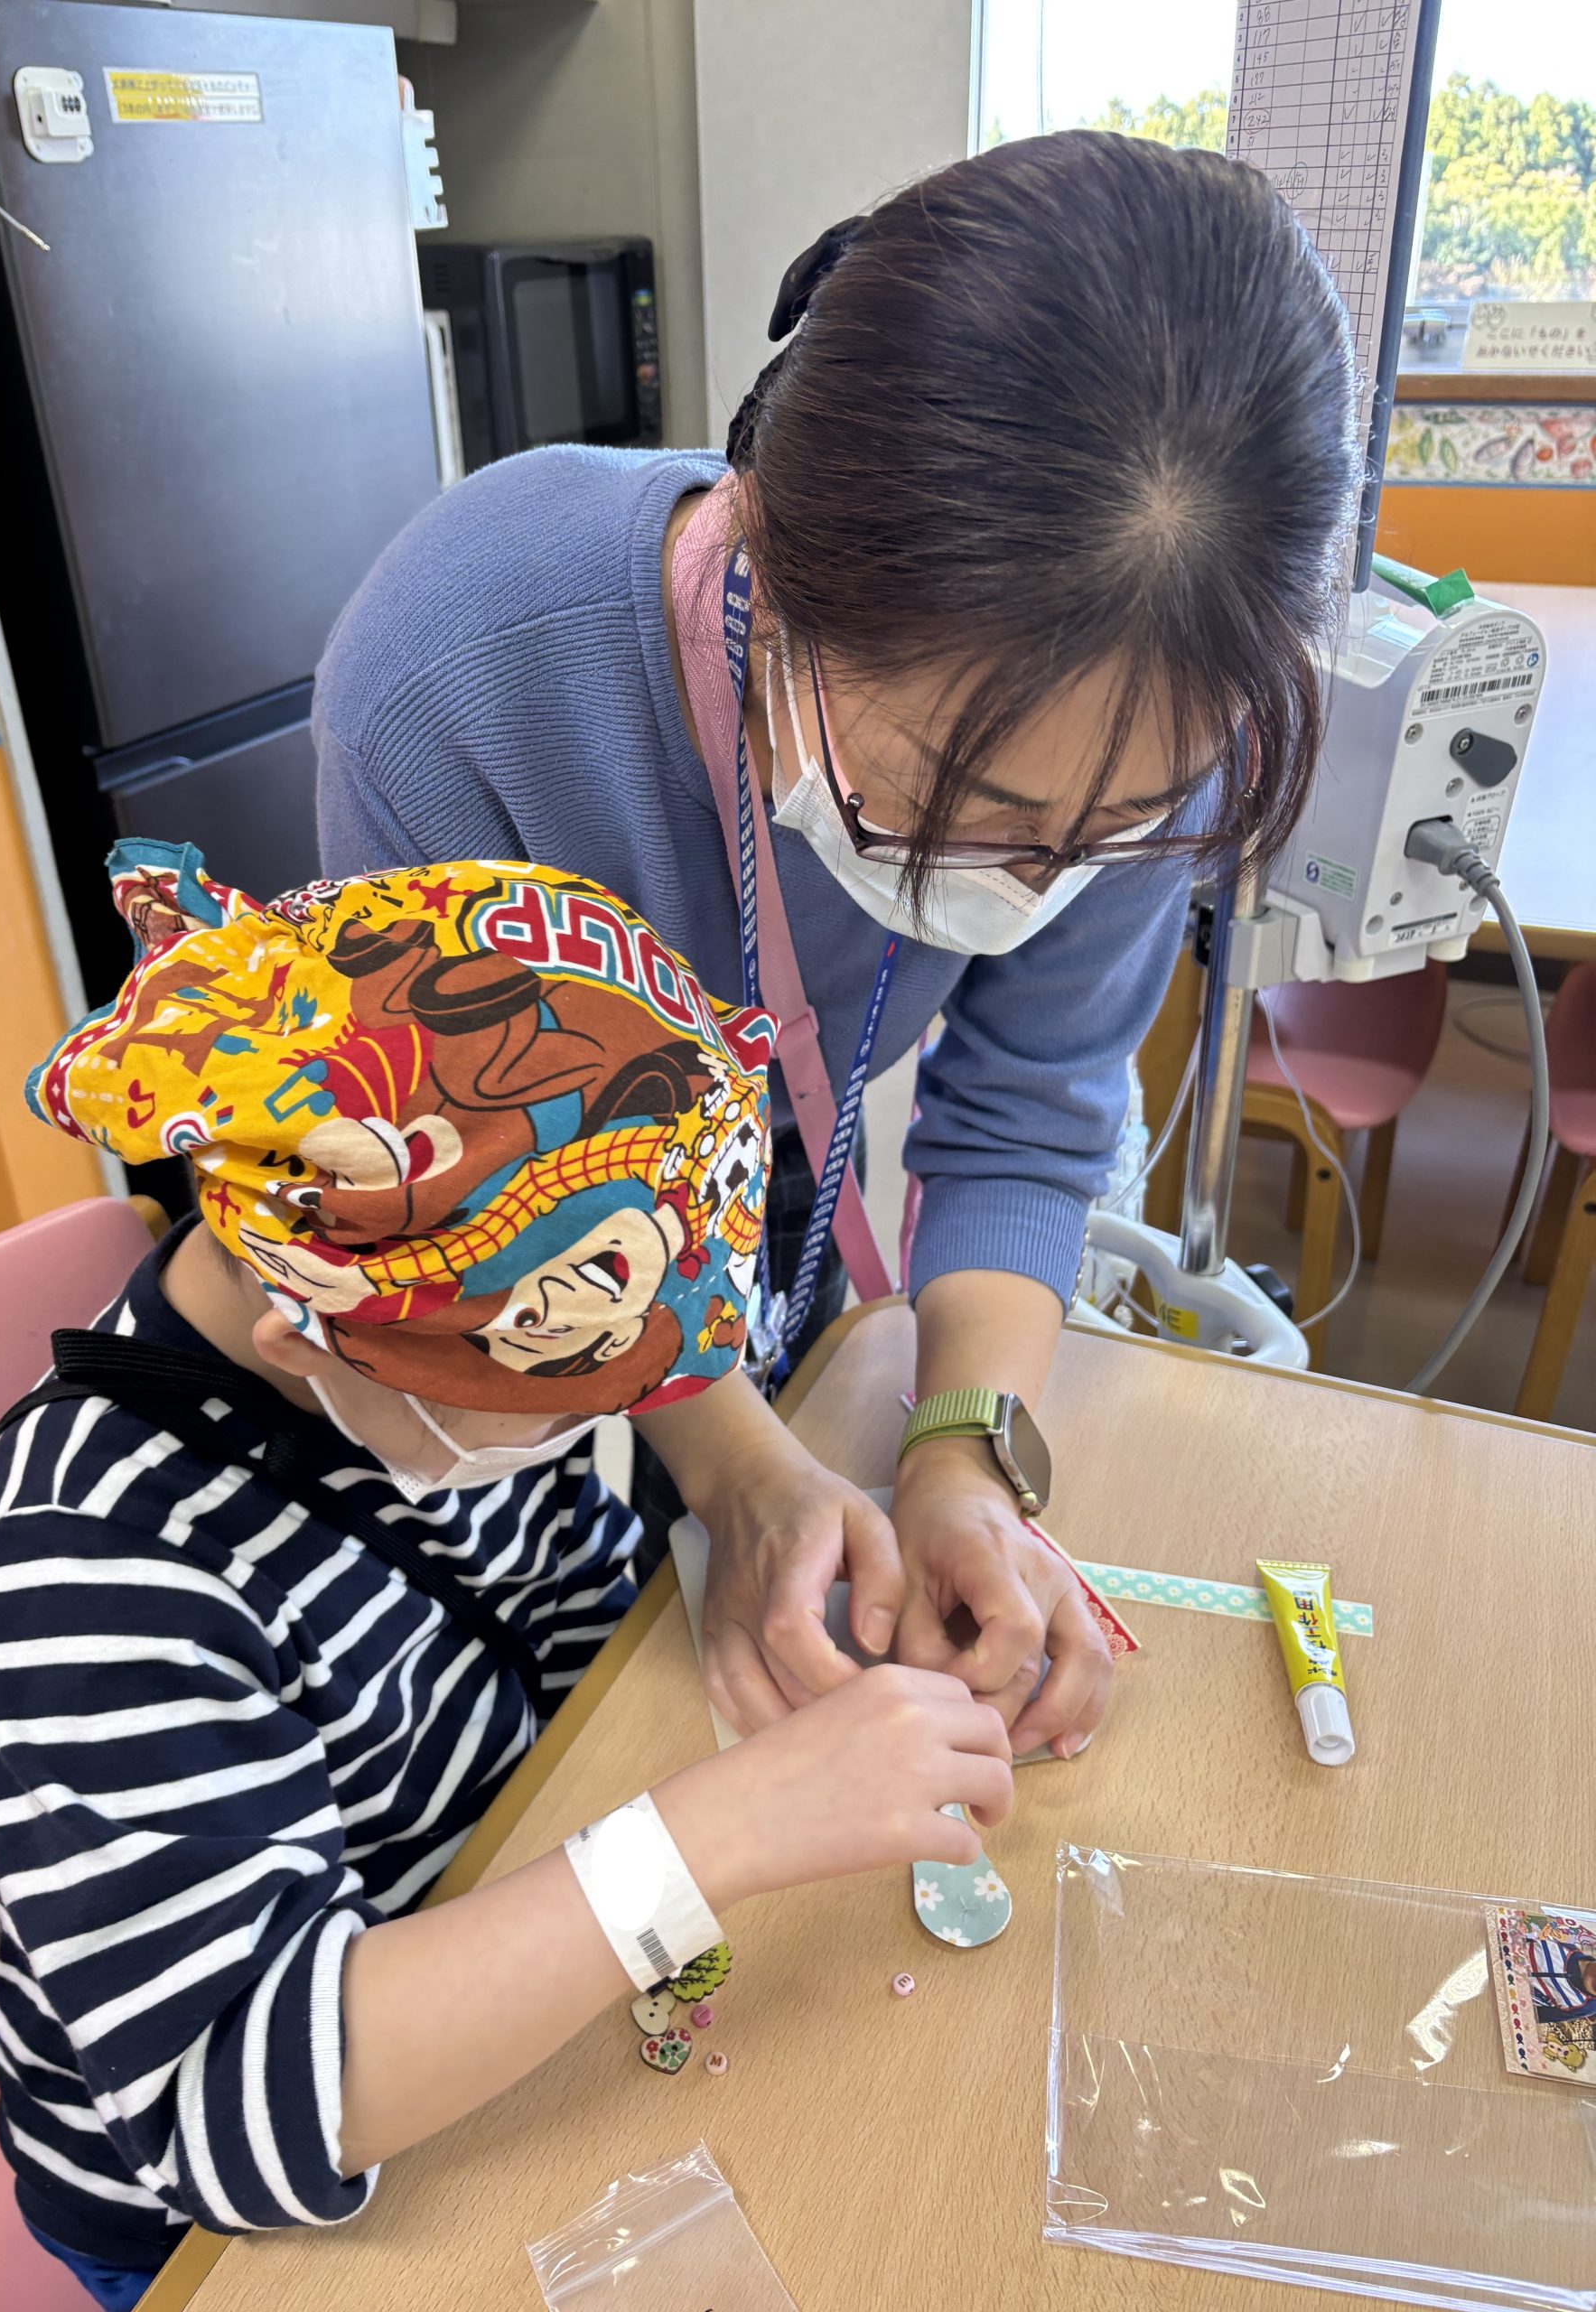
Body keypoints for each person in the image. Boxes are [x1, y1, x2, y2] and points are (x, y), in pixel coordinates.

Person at [313, 130, 1361, 1752]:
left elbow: (1030, 1110)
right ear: (772, 554)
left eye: (1108, 833)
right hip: (545, 1208)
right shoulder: (463, 678)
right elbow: (519, 1205)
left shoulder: (1175, 711)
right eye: (957, 806)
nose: (1031, 880)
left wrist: (962, 1452)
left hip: (767, 1162)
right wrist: (740, 1472)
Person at [0, 842, 1014, 2307]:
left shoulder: (454, 1373)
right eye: (569, 1405)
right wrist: (714, 1834)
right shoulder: (93, 1553)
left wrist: (777, 1593)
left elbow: (553, 1635)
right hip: (238, 2201)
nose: (602, 1431)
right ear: (311, 1344)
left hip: (501, 1911)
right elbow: (229, 2110)